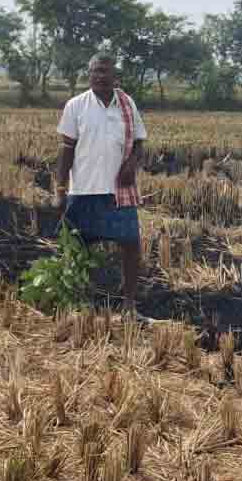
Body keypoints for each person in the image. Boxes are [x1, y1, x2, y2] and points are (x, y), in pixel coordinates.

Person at [55, 53, 150, 321]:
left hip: (118, 191)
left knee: (131, 245)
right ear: (89, 75)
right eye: (95, 71)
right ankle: (77, 304)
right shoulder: (76, 105)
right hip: (83, 189)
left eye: (105, 71)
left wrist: (132, 164)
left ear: (114, 76)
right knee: (77, 248)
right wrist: (60, 189)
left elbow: (140, 143)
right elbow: (66, 149)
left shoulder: (127, 104)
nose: (100, 76)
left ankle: (129, 305)